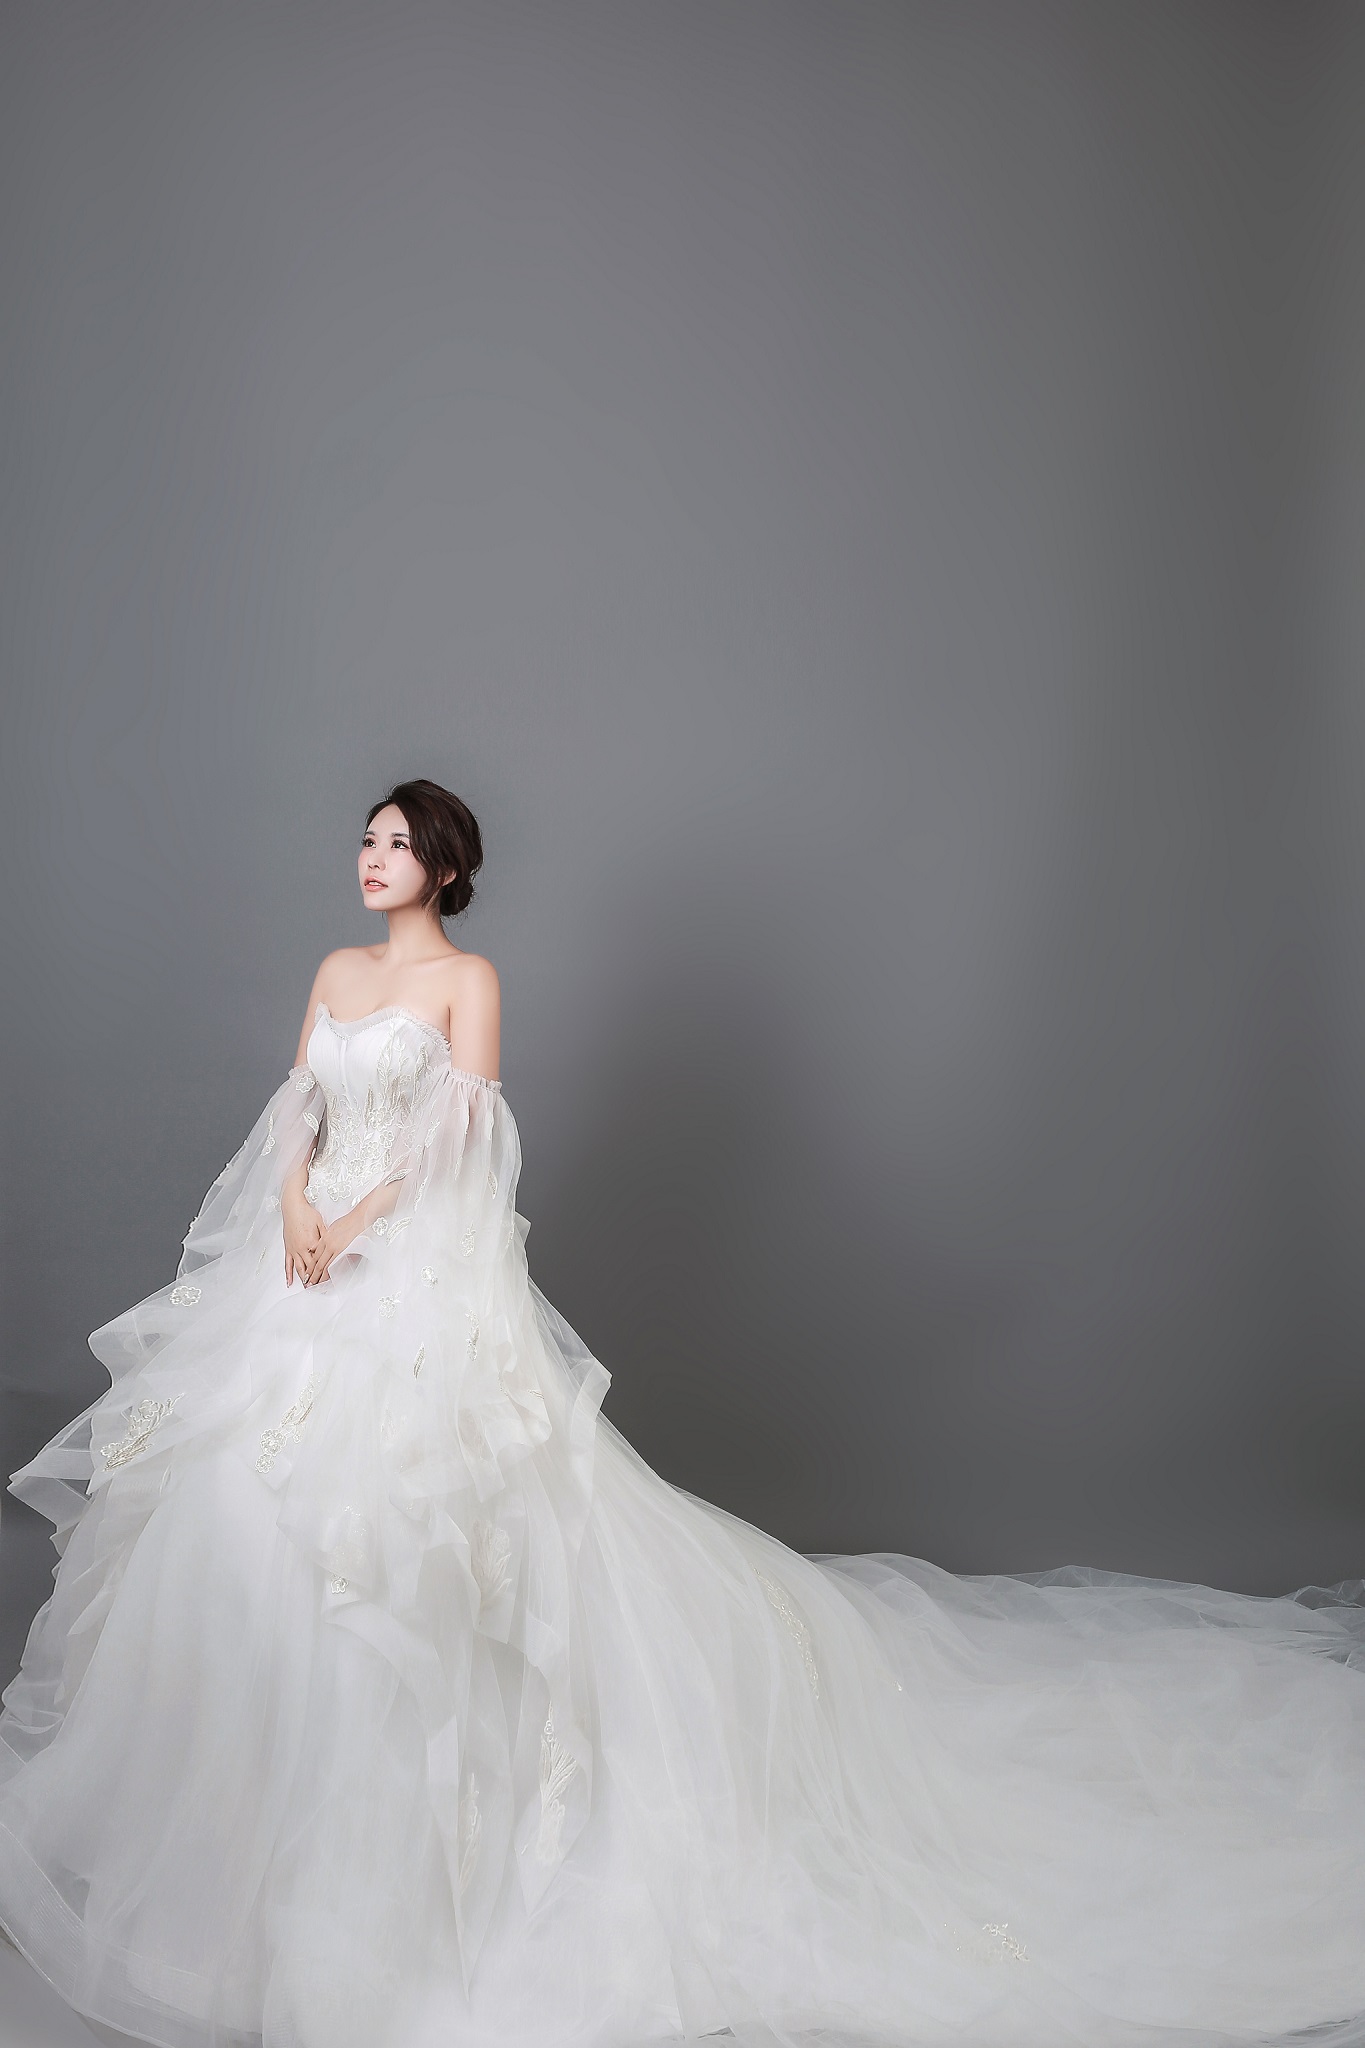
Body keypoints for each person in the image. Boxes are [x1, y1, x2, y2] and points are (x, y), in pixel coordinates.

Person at [1, 775, 1362, 2048]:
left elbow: (464, 1146)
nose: (371, 860)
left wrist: (355, 1226)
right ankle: (258, 1849)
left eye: (397, 845)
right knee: (244, 1511)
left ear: (446, 869)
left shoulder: (467, 982)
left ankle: (422, 1866)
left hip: (401, 1269)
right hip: (302, 1272)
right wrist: (301, 1212)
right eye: (366, 841)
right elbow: (297, 1116)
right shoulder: (337, 973)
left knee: (413, 1535)